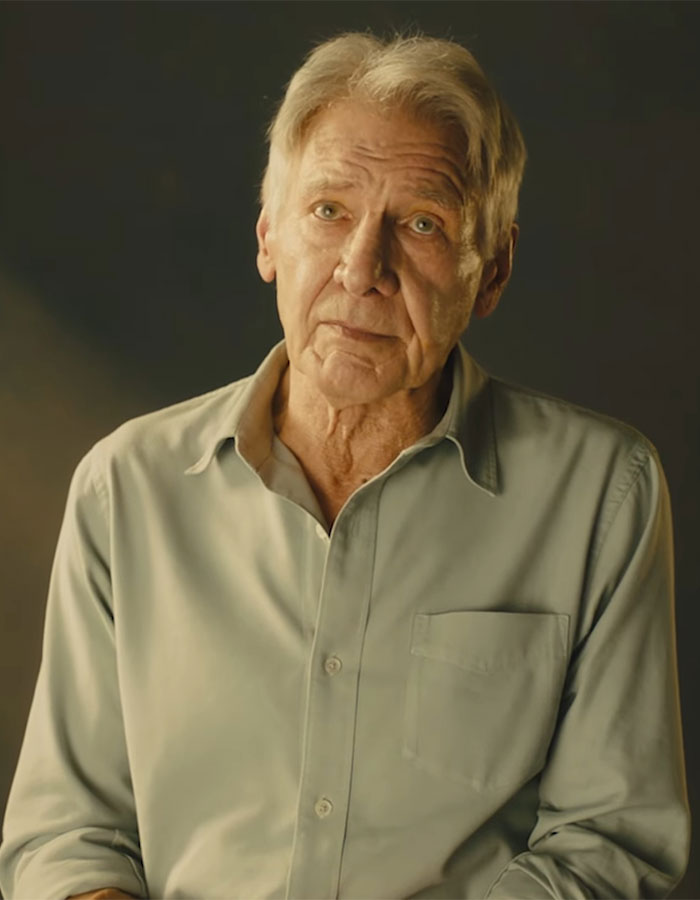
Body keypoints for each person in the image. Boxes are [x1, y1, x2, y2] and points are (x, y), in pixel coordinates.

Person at [0, 30, 690, 900]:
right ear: (268, 239)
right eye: (329, 211)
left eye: (423, 223)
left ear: (494, 270)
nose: (362, 266)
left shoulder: (602, 493)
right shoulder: (124, 487)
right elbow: (68, 831)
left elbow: (612, 843)